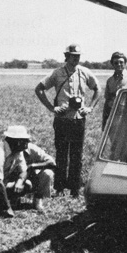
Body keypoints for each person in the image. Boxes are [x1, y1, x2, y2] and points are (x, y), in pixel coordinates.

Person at [35, 44, 100, 197]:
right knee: (62, 154)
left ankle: (74, 188)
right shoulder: (57, 73)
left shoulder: (84, 72)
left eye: (78, 56)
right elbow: (39, 88)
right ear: (66, 56)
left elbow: (98, 89)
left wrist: (89, 108)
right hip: (62, 120)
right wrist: (52, 108)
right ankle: (59, 187)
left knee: (77, 155)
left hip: (78, 119)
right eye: (73, 56)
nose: (75, 59)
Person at [0, 125, 55, 216]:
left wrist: (20, 182)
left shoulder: (17, 151)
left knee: (26, 184)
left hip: (1, 184)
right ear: (16, 141)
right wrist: (7, 208)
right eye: (24, 140)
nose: (28, 142)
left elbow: (23, 171)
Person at [102, 51, 127, 130]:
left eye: (121, 62)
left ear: (125, 63)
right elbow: (107, 101)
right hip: (114, 117)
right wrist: (105, 121)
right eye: (116, 63)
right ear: (112, 64)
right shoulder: (110, 81)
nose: (119, 65)